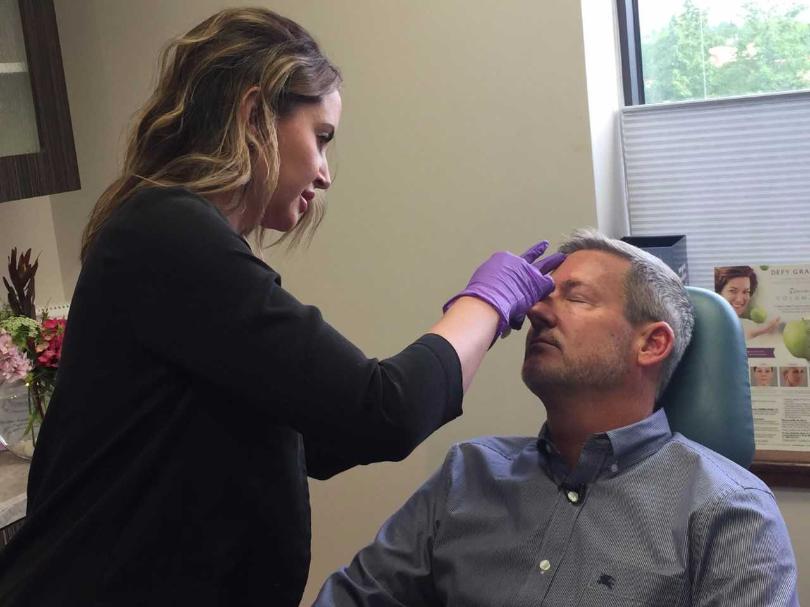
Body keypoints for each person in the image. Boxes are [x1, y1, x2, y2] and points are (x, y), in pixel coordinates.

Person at [0, 9, 565, 607]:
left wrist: (472, 333)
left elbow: (311, 437)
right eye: (320, 137)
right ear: (253, 115)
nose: (324, 174)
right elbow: (382, 410)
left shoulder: (172, 239)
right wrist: (485, 303)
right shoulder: (166, 235)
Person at [315, 229, 798, 607]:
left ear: (651, 344)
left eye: (576, 297)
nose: (536, 311)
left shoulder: (727, 512)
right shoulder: (467, 474)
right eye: (542, 295)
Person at [714, 265, 780, 340]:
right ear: (719, 293)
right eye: (733, 291)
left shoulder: (748, 325)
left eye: (746, 292)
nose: (739, 299)